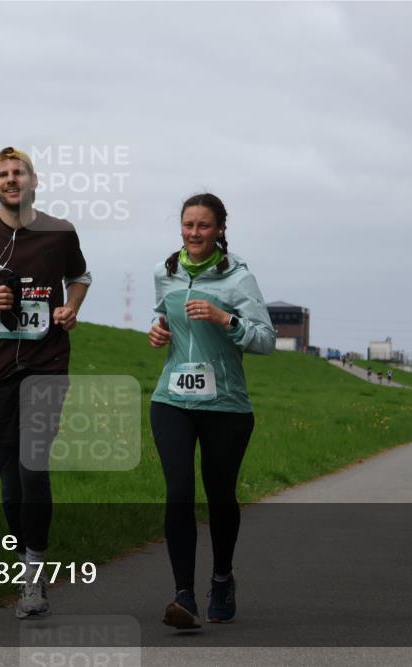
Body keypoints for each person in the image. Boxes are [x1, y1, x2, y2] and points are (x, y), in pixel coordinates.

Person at [0, 146, 90, 619]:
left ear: (34, 181)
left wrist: (71, 308)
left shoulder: (60, 233)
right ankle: (24, 562)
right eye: (2, 174)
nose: (11, 180)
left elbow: (80, 276)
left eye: (19, 173)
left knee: (33, 467)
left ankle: (34, 576)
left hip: (47, 367)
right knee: (9, 482)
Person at [148, 193, 275, 629]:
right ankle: (183, 594)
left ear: (220, 228)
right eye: (188, 225)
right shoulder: (166, 273)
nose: (194, 233)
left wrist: (226, 320)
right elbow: (163, 317)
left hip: (225, 405)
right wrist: (159, 330)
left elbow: (265, 339)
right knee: (179, 489)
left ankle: (221, 578)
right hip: (171, 399)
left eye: (204, 226)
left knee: (220, 496)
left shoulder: (239, 279)